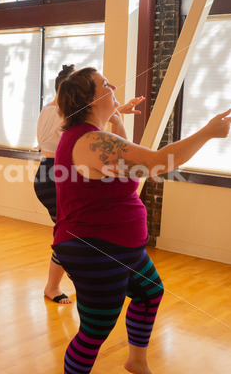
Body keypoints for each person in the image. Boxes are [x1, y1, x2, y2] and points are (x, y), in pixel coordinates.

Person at [52, 67, 231, 374]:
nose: (113, 87)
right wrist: (206, 132)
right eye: (105, 85)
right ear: (90, 100)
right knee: (95, 330)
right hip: (94, 248)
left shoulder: (95, 137)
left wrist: (116, 118)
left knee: (150, 294)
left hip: (121, 246)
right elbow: (156, 163)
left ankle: (136, 361)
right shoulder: (89, 142)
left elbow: (130, 169)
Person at [35, 64, 144, 305]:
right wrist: (115, 114)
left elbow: (93, 123)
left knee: (71, 234)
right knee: (73, 235)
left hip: (49, 172)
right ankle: (54, 286)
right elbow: (92, 131)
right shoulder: (61, 116)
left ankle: (58, 284)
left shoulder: (48, 110)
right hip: (56, 173)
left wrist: (117, 111)